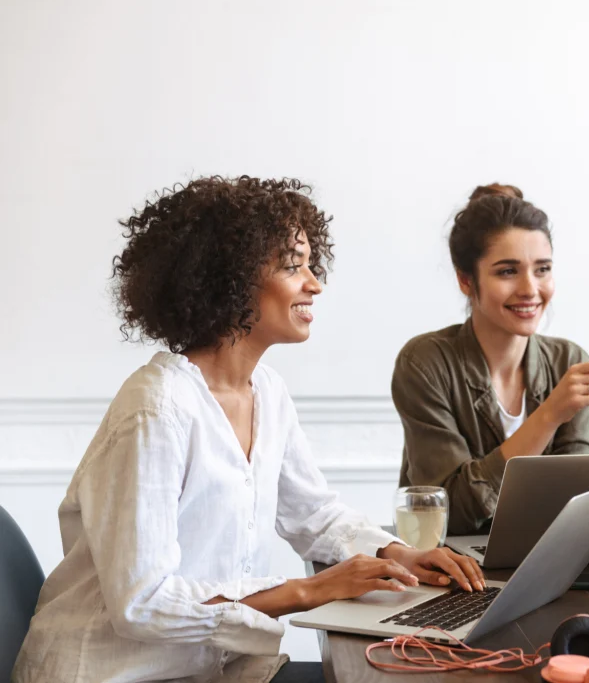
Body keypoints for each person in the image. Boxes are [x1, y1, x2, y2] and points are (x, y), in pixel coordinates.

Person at [13, 177, 484, 683]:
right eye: (292, 265)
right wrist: (309, 590)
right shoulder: (156, 409)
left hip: (217, 669)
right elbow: (141, 603)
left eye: (310, 263)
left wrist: (401, 555)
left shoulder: (268, 391)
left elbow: (316, 516)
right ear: (229, 280)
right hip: (114, 674)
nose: (314, 283)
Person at [393, 184, 589, 535]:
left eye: (542, 269)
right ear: (466, 280)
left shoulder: (567, 360)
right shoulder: (425, 363)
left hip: (545, 562)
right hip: (452, 567)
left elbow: (582, 496)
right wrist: (549, 415)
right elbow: (451, 511)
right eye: (507, 271)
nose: (531, 289)